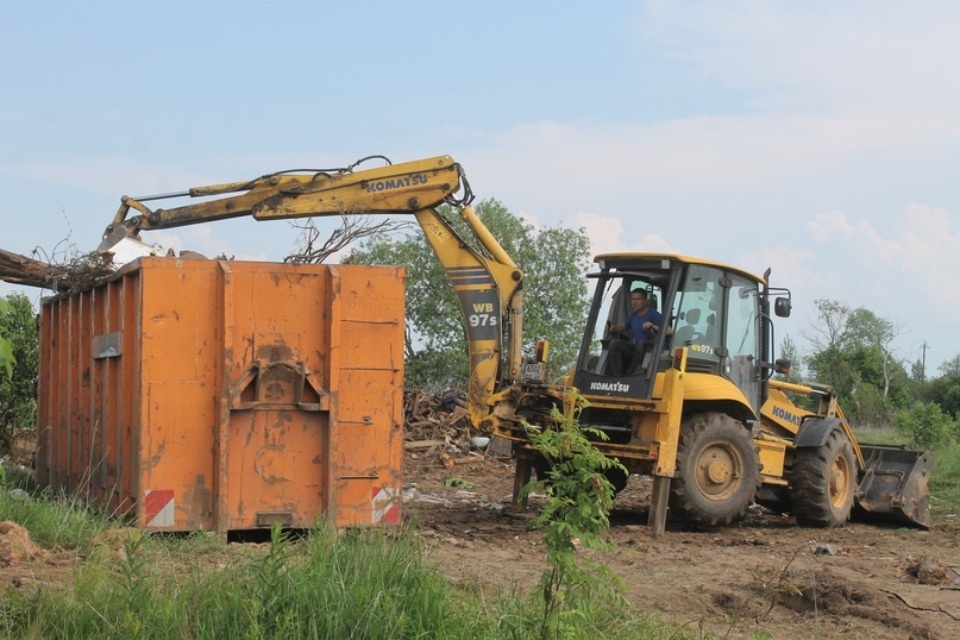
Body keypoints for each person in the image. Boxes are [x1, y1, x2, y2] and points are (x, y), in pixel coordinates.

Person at [608, 289, 666, 375]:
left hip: (653, 348)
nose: (635, 302)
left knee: (641, 343)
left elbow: (670, 331)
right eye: (633, 299)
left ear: (645, 301)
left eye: (638, 299)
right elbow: (624, 326)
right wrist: (614, 327)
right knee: (614, 343)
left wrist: (653, 326)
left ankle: (631, 373)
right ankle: (616, 376)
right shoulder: (633, 317)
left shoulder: (654, 314)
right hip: (638, 348)